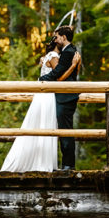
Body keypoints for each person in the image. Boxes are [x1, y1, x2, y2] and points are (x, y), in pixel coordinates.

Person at [0, 34, 81, 173]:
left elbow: (59, 75)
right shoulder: (54, 56)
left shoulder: (53, 56)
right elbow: (58, 77)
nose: (57, 39)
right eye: (56, 38)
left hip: (46, 94)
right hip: (48, 95)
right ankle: (44, 162)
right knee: (46, 124)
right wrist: (73, 65)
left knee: (40, 124)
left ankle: (42, 160)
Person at [39, 25, 80, 170]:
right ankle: (67, 164)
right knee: (64, 129)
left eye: (57, 37)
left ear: (64, 37)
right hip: (64, 95)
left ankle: (68, 164)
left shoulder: (68, 52)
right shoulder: (68, 51)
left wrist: (42, 79)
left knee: (65, 130)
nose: (55, 40)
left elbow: (58, 74)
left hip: (66, 96)